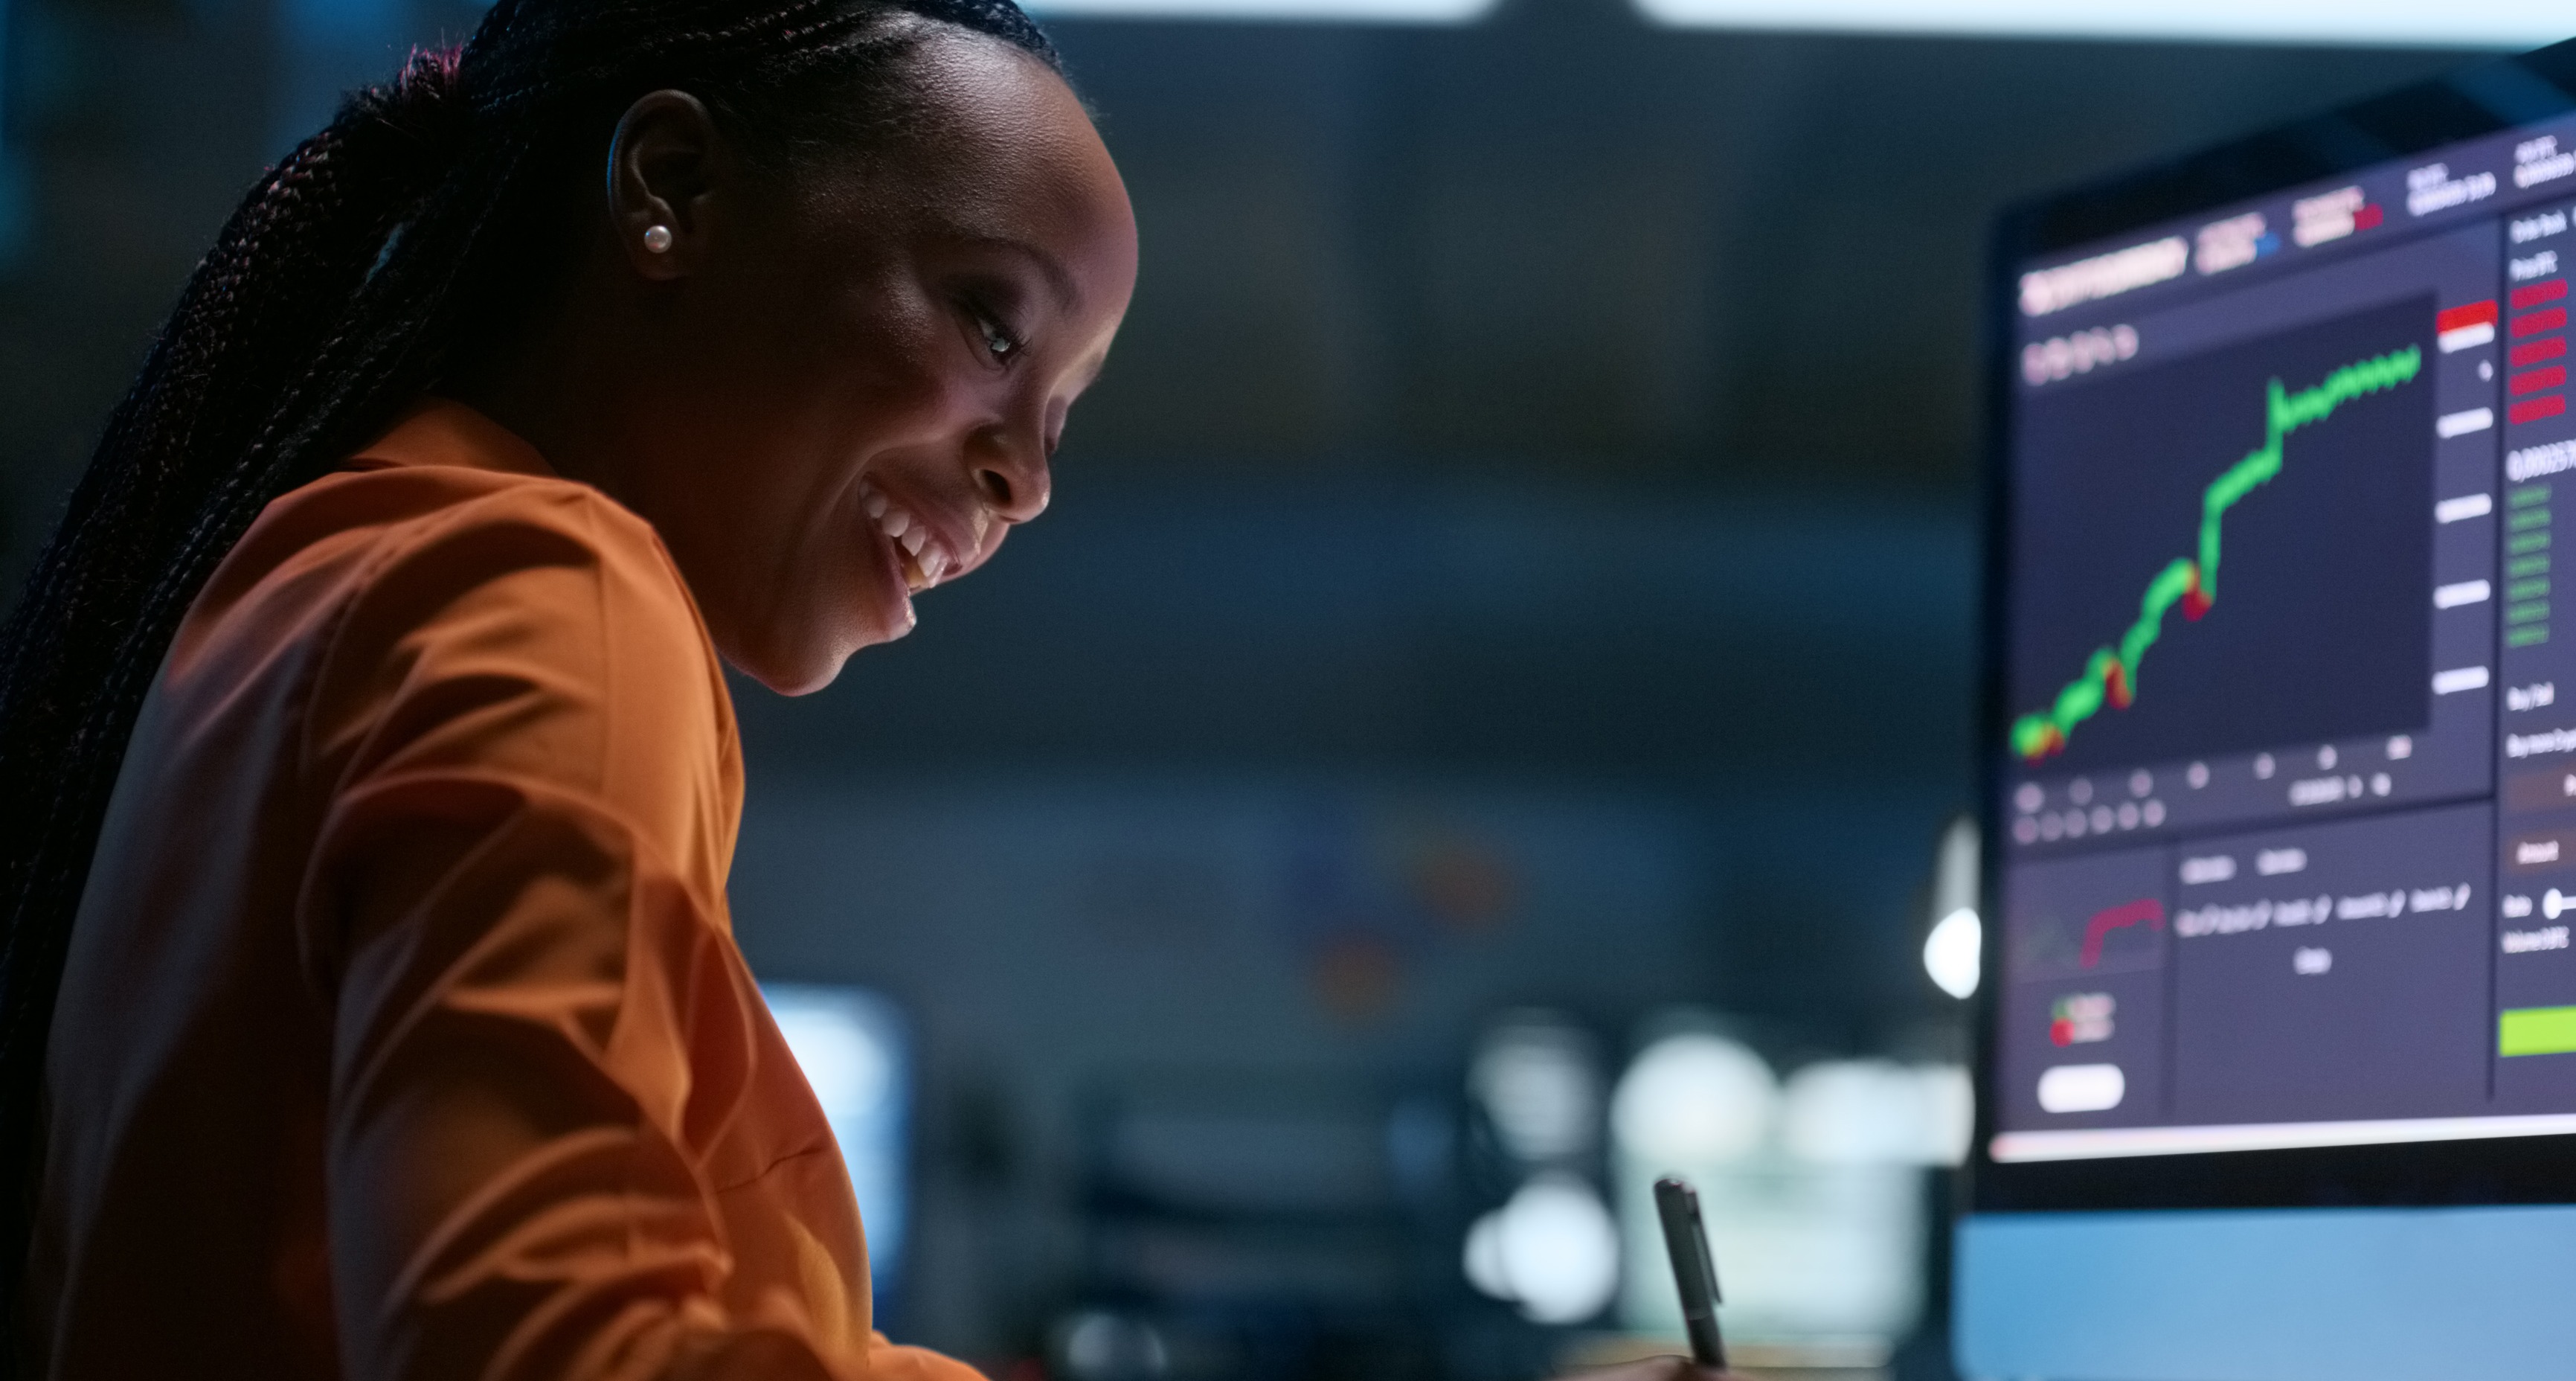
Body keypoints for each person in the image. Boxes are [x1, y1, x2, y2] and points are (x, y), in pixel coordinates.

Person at [0, 3, 1727, 1380]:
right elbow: (549, 1346)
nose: (1026, 481)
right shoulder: (546, 596)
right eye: (992, 326)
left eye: (1061, 414)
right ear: (668, 186)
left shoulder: (305, 577)